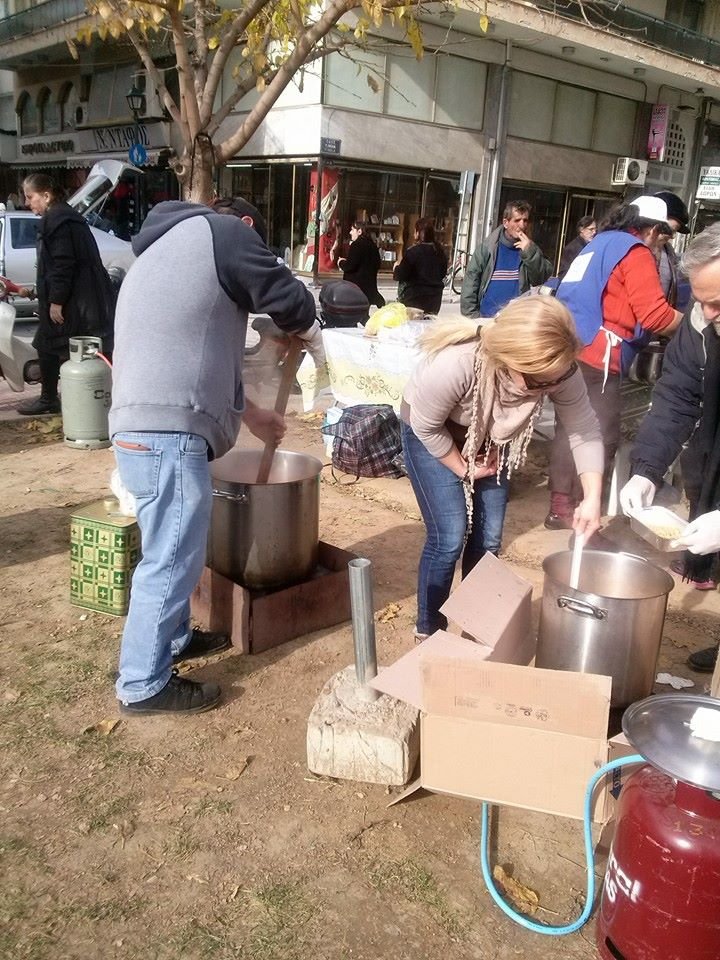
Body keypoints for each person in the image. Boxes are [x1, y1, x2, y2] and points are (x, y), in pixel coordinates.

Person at [109, 196, 322, 716]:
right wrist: (305, 325)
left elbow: (194, 350)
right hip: (166, 431)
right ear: (245, 225)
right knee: (172, 557)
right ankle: (143, 683)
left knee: (176, 543)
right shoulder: (226, 233)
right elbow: (294, 304)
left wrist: (251, 415)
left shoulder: (164, 247)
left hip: (144, 422)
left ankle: (175, 640)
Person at [400, 295, 604, 641]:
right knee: (450, 534)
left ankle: (476, 626)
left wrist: (594, 497)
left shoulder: (556, 368)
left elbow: (584, 428)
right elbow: (426, 426)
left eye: (558, 378)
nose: (552, 389)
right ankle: (430, 630)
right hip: (435, 432)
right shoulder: (457, 363)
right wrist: (462, 466)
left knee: (489, 536)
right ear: (508, 361)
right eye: (539, 383)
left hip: (493, 437)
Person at [545, 196, 683, 530]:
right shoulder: (634, 252)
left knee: (568, 430)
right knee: (597, 436)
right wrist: (695, 325)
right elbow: (656, 315)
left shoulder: (599, 242)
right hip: (598, 357)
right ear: (650, 229)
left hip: (570, 347)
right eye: (662, 235)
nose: (660, 242)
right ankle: (579, 512)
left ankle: (559, 506)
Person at [620, 222, 720, 673]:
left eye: (716, 302)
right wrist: (647, 467)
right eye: (700, 301)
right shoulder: (701, 324)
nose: (708, 313)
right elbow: (678, 395)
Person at [16, 173, 116, 416]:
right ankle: (103, 397)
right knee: (87, 346)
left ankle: (51, 398)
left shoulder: (57, 219)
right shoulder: (66, 216)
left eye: (31, 197)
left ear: (47, 195)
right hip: (87, 297)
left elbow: (63, 263)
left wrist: (56, 301)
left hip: (78, 299)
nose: (28, 203)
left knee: (51, 345)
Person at [460, 200, 552, 319]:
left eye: (525, 220)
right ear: (506, 222)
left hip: (515, 319)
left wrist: (530, 252)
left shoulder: (529, 248)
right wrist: (471, 317)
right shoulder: (488, 248)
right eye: (517, 220)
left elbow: (539, 278)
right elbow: (471, 281)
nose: (522, 225)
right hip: (486, 319)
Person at [393, 217, 448, 315]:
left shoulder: (413, 252)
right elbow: (443, 273)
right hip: (434, 300)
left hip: (414, 299)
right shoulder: (439, 252)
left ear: (418, 233)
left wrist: (396, 267)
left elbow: (401, 274)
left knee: (413, 327)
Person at [654, 191, 691, 312]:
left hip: (658, 322)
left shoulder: (668, 250)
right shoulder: (633, 248)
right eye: (670, 230)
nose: (673, 236)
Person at [337, 222, 385, 308]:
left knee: (356, 314)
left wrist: (340, 262)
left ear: (359, 231)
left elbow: (349, 266)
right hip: (369, 290)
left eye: (352, 230)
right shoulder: (373, 246)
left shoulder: (356, 245)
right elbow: (377, 264)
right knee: (364, 315)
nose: (350, 232)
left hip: (356, 290)